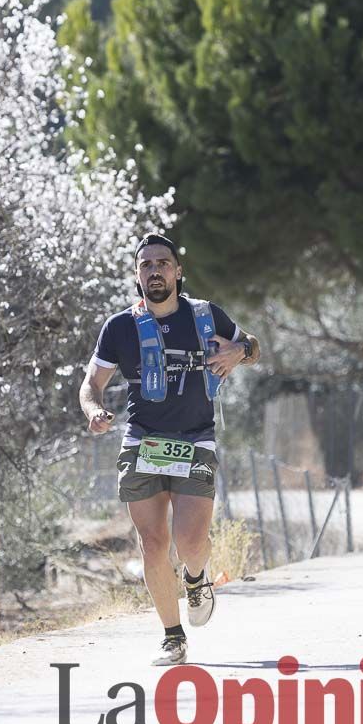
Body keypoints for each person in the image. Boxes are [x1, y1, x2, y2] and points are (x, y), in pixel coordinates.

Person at [80, 233, 260, 665]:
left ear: (178, 272)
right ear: (137, 275)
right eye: (146, 265)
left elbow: (252, 347)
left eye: (163, 263)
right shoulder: (119, 327)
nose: (155, 270)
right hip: (142, 440)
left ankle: (196, 579)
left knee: (191, 541)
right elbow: (92, 384)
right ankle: (172, 635)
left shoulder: (204, 316)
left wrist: (238, 351)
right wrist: (94, 411)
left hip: (195, 439)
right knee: (153, 542)